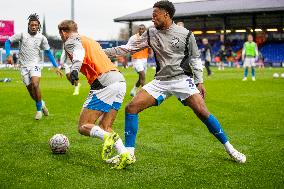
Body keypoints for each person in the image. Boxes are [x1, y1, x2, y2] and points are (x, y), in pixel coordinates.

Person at [104, 0, 246, 165]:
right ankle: (129, 154)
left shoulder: (186, 34)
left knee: (202, 112)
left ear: (166, 14)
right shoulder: (151, 33)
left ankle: (230, 148)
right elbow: (127, 49)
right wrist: (99, 52)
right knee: (131, 108)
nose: (153, 20)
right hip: (160, 81)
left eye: (155, 16)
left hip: (182, 80)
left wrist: (199, 81)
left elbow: (194, 59)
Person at [58, 20, 133, 169]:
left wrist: (75, 69)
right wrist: (129, 48)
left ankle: (108, 138)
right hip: (119, 81)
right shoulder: (90, 41)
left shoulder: (70, 41)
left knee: (83, 126)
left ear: (63, 32)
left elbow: (78, 52)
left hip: (104, 83)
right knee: (105, 126)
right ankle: (125, 155)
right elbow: (109, 52)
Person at [4, 13, 63, 120]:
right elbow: (8, 42)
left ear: (38, 26)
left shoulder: (42, 38)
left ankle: (38, 111)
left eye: (36, 25)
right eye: (32, 25)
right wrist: (8, 54)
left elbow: (48, 52)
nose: (34, 27)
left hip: (35, 64)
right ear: (29, 25)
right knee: (32, 92)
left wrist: (56, 66)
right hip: (23, 67)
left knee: (35, 85)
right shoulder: (22, 34)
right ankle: (42, 104)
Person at [129, 24, 151, 96]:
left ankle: (134, 90)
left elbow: (150, 46)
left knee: (141, 77)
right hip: (136, 59)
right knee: (142, 74)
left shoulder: (148, 38)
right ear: (138, 30)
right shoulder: (133, 38)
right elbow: (128, 47)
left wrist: (150, 53)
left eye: (143, 29)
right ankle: (144, 94)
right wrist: (130, 51)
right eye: (140, 29)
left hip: (144, 59)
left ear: (145, 30)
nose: (141, 30)